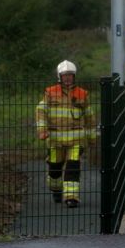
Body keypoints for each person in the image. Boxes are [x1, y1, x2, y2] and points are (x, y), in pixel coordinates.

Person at [35, 60, 96, 208]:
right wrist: (42, 130)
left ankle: (71, 197)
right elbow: (40, 111)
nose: (68, 78)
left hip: (76, 140)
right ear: (59, 77)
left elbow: (89, 116)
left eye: (70, 75)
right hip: (55, 141)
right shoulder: (50, 92)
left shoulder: (82, 94)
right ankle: (56, 189)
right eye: (65, 75)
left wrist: (92, 136)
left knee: (73, 167)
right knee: (54, 170)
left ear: (74, 76)